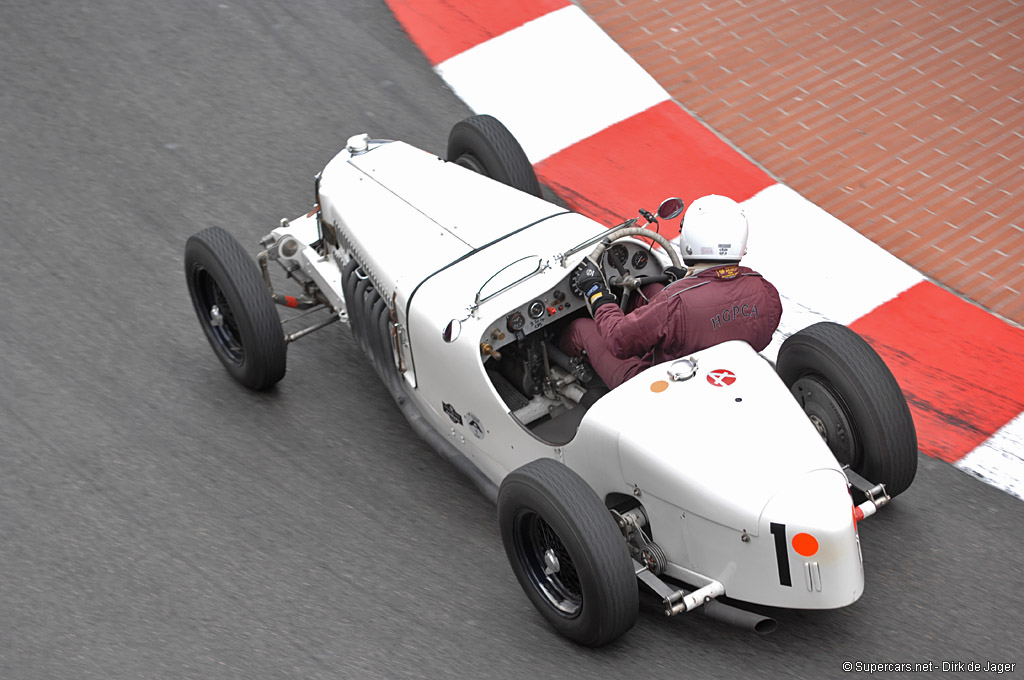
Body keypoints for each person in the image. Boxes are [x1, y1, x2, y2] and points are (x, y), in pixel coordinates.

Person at [560, 194, 783, 389]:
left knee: (580, 327)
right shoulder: (766, 291)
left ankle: (558, 370)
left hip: (657, 384)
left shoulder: (675, 303)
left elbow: (618, 340)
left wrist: (597, 293)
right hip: (721, 372)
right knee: (650, 289)